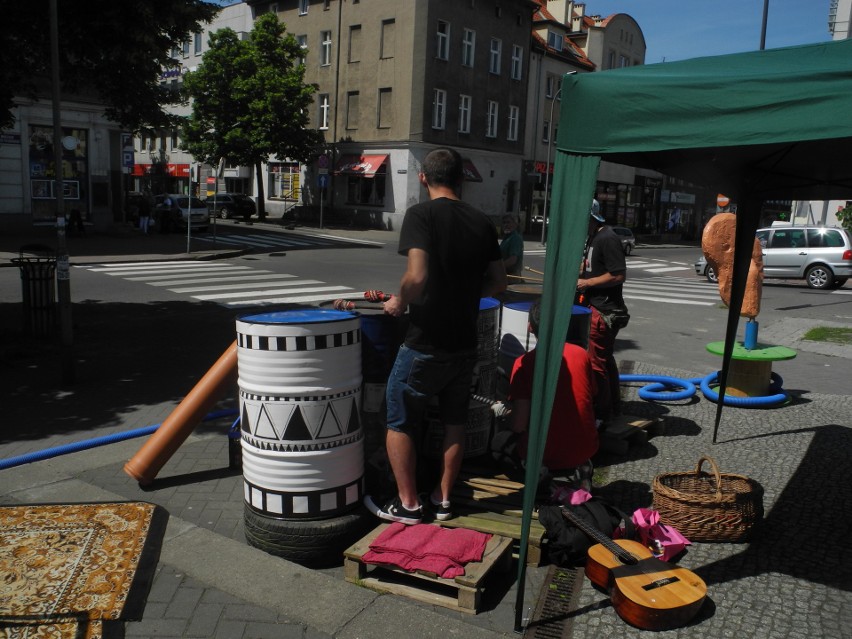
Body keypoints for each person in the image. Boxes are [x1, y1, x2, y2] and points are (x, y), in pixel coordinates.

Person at [364, 147, 507, 525]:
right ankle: (443, 500)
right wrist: (464, 293)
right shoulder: (482, 221)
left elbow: (417, 276)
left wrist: (399, 300)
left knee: (398, 419)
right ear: (461, 179)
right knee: (455, 422)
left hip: (425, 342)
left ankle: (408, 505)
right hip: (464, 342)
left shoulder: (421, 214)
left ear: (423, 178)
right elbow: (498, 281)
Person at [507, 301, 599, 474]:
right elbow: (592, 394)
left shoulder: (523, 363)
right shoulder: (581, 354)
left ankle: (541, 478)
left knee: (500, 444)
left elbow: (519, 424)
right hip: (585, 448)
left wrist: (505, 415)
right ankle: (581, 469)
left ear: (529, 327)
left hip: (544, 454)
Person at [577, 200, 630, 424]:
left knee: (597, 364)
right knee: (605, 360)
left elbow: (618, 274)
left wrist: (588, 283)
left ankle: (601, 415)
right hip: (598, 307)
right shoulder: (593, 236)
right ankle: (613, 408)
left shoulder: (607, 238)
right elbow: (594, 267)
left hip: (604, 310)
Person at [499, 214, 524, 278]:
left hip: (512, 275)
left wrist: (497, 268)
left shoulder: (515, 238)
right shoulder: (507, 238)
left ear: (515, 224)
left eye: (508, 222)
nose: (506, 225)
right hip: (505, 273)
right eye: (504, 223)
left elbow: (512, 260)